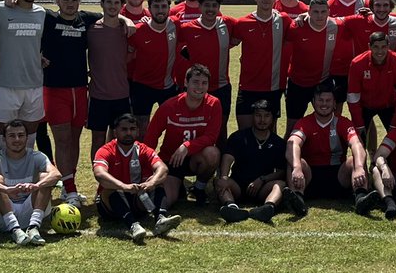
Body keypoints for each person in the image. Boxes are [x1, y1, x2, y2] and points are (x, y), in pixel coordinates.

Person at [40, 0, 99, 206]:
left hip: (80, 88)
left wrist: (124, 20)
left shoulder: (85, 19)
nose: (70, 5)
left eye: (74, 1)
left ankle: (68, 185)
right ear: (57, 1)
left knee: (74, 140)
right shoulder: (47, 18)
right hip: (54, 89)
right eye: (66, 0)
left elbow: (111, 15)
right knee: (62, 140)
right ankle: (70, 188)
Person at [285, 83, 377, 216]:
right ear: (313, 102)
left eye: (328, 101)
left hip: (338, 176)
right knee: (294, 162)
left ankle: (361, 199)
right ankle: (297, 200)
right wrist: (297, 167)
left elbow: (356, 144)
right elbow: (292, 143)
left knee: (356, 159)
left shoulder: (343, 122)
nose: (324, 104)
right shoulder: (304, 123)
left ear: (334, 103)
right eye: (320, 100)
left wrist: (359, 167)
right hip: (310, 178)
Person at [144, 63, 221, 212]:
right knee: (169, 199)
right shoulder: (169, 106)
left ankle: (199, 188)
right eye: (196, 82)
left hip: (195, 159)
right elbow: (150, 138)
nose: (200, 87)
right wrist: (148, 168)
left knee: (213, 153)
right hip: (171, 160)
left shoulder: (214, 104)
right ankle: (175, 189)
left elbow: (211, 137)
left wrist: (186, 146)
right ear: (186, 82)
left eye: (204, 83)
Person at [92, 113, 175, 243]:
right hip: (110, 205)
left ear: (137, 132)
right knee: (110, 190)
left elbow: (163, 169)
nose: (128, 133)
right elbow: (99, 174)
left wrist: (152, 182)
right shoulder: (106, 150)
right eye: (124, 129)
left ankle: (161, 219)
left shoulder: (143, 149)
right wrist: (123, 186)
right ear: (115, 132)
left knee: (158, 183)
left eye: (132, 129)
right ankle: (133, 226)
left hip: (136, 198)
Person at [0, 0, 47, 152]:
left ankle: (23, 176)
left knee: (28, 138)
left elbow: (40, 45)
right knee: (1, 137)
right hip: (7, 84)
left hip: (34, 84)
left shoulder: (42, 13)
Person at [87, 0, 136, 201]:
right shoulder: (91, 29)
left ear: (121, 5)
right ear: (102, 4)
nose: (113, 6)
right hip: (98, 95)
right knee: (98, 139)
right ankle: (101, 182)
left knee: (119, 139)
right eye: (109, 2)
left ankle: (117, 178)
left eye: (117, 3)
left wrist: (128, 21)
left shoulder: (127, 30)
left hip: (121, 94)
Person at [0, 119, 62, 246]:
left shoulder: (37, 156)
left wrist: (36, 186)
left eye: (21, 135)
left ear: (27, 138)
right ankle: (14, 229)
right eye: (12, 136)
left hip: (31, 211)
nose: (17, 139)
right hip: (2, 217)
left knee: (45, 177)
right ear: (4, 139)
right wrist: (6, 190)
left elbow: (56, 174)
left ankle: (33, 228)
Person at [232, 0, 295, 131]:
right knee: (245, 133)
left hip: (273, 87)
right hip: (247, 86)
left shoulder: (284, 20)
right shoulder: (243, 23)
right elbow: (226, 44)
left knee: (269, 133)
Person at [176, 0, 237, 138]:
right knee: (194, 128)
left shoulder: (228, 24)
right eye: (207, 5)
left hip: (221, 86)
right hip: (196, 87)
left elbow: (245, 29)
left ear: (219, 7)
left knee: (221, 128)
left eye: (214, 6)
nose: (210, 9)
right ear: (200, 6)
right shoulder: (187, 28)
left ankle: (220, 160)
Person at [216, 98, 286, 223]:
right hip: (238, 185)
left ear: (272, 119)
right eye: (258, 115)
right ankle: (231, 207)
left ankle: (268, 207)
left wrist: (262, 179)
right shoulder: (238, 137)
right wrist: (225, 178)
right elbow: (227, 159)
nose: (262, 120)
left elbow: (281, 172)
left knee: (280, 184)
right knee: (219, 181)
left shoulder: (278, 143)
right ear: (252, 116)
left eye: (266, 116)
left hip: (262, 187)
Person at [283, 0, 344, 135]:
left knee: (328, 124)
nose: (320, 16)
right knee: (292, 127)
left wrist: (369, 13)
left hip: (322, 82)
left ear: (329, 12)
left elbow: (356, 19)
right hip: (297, 84)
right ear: (309, 12)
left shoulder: (336, 25)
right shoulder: (296, 27)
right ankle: (287, 156)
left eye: (323, 12)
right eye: (315, 12)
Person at [346, 31, 396, 151]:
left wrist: (395, 122)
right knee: (359, 140)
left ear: (388, 46)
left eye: (383, 47)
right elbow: (352, 96)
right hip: (365, 106)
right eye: (375, 47)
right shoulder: (357, 63)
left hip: (389, 105)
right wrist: (359, 124)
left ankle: (395, 167)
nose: (380, 51)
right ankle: (364, 166)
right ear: (369, 46)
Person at [127, 0, 179, 127]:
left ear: (169, 8)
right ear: (149, 9)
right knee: (141, 128)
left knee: (172, 126)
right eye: (156, 7)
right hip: (142, 87)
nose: (160, 11)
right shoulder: (137, 31)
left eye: (163, 6)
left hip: (168, 86)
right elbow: (127, 56)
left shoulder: (176, 25)